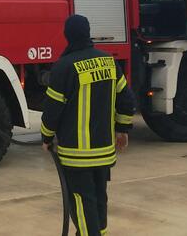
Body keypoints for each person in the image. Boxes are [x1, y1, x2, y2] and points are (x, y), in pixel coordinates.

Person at [41, 14, 135, 236]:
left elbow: (53, 110)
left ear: (67, 35)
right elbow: (126, 100)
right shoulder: (109, 62)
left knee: (83, 204)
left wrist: (46, 137)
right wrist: (122, 129)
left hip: (76, 154)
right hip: (104, 152)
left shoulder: (64, 66)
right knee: (99, 199)